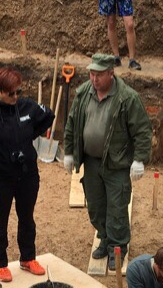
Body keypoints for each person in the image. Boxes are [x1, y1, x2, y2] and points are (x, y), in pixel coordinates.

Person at [63, 53, 152, 271]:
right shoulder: (84, 93)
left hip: (117, 163)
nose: (94, 79)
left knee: (117, 206)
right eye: (92, 74)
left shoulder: (127, 98)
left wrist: (139, 160)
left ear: (111, 73)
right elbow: (72, 122)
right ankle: (104, 238)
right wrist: (69, 151)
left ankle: (117, 247)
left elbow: (142, 131)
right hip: (91, 162)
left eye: (99, 75)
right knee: (95, 204)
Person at [0, 67, 55, 283]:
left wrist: (28, 136)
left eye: (18, 92)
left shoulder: (27, 106)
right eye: (11, 93)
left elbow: (48, 116)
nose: (16, 97)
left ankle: (28, 258)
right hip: (1, 175)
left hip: (27, 174)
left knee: (27, 217)